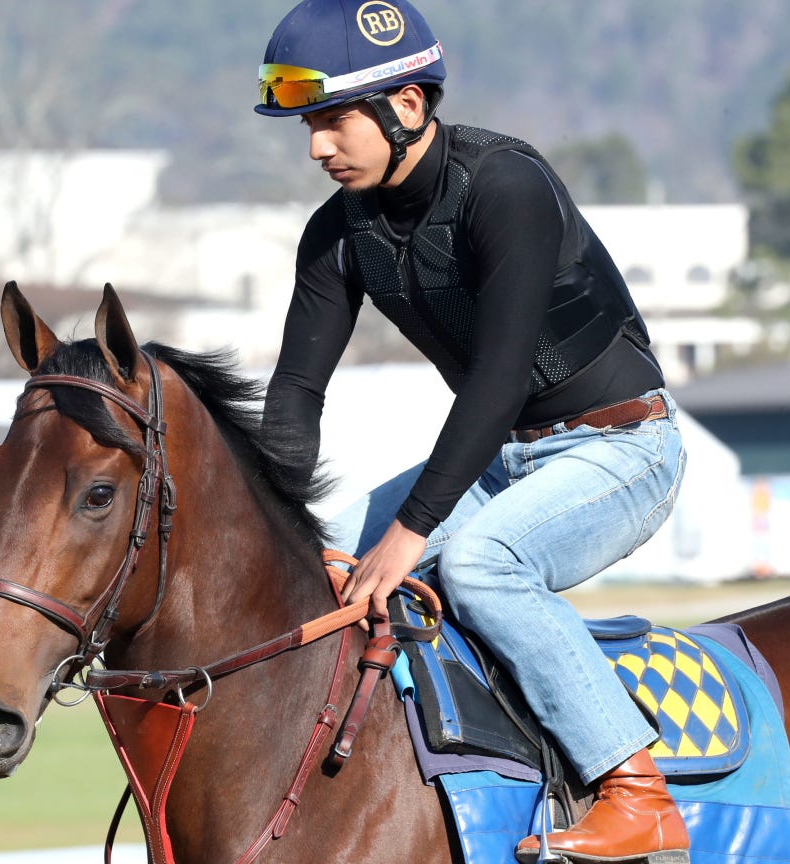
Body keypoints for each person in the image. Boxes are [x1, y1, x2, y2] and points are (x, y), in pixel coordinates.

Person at [255, 1, 690, 862]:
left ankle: (637, 793)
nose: (317, 147)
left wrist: (409, 533)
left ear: (407, 105)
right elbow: (297, 391)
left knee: (481, 565)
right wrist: (281, 525)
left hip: (623, 449)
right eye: (308, 126)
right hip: (502, 463)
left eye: (333, 121)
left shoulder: (506, 186)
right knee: (311, 566)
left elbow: (499, 381)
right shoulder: (338, 233)